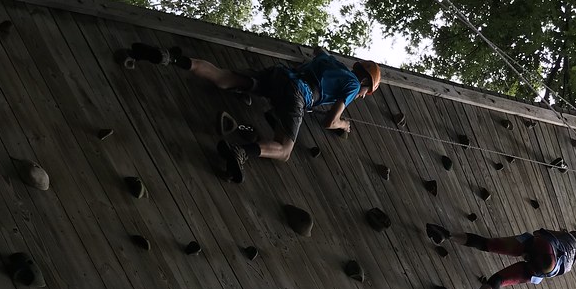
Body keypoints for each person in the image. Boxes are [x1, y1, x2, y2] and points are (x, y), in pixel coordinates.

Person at [117, 42, 381, 183]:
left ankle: (170, 59)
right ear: (366, 84)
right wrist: (344, 126)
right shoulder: (353, 84)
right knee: (285, 150)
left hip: (279, 77)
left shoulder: (332, 63)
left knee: (224, 77)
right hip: (298, 93)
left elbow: (318, 50)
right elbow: (328, 121)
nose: (360, 95)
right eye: (365, 94)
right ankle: (241, 151)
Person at [425, 224, 576, 289]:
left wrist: (528, 247)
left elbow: (538, 232)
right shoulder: (570, 265)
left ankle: (447, 235)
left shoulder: (570, 237)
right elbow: (547, 273)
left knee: (488, 244)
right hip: (546, 268)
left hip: (545, 245)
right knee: (500, 280)